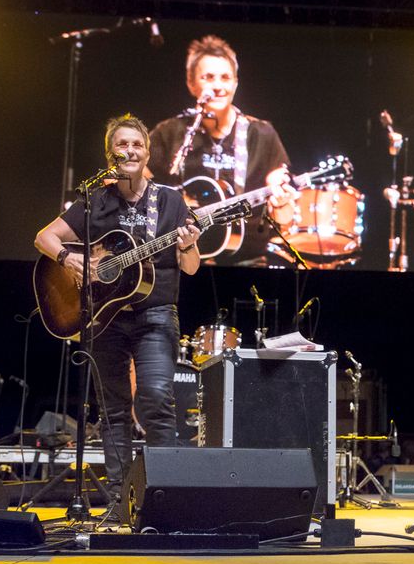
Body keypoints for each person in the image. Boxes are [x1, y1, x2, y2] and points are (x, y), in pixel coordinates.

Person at [35, 114, 202, 497]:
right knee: (112, 409)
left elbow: (190, 268)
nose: (130, 150)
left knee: (157, 401)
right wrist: (69, 259)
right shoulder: (96, 200)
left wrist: (189, 243)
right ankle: (118, 498)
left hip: (156, 316)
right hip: (103, 316)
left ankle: (165, 495)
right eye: (122, 144)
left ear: (148, 153)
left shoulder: (171, 201)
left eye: (136, 144)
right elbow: (44, 237)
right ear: (111, 153)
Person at [147, 34, 295, 265]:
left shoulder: (262, 134)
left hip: (248, 260)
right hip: (179, 259)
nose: (217, 86)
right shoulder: (170, 132)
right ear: (191, 83)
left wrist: (283, 201)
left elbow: (284, 215)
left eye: (225, 77)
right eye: (208, 77)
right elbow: (130, 185)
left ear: (235, 83)